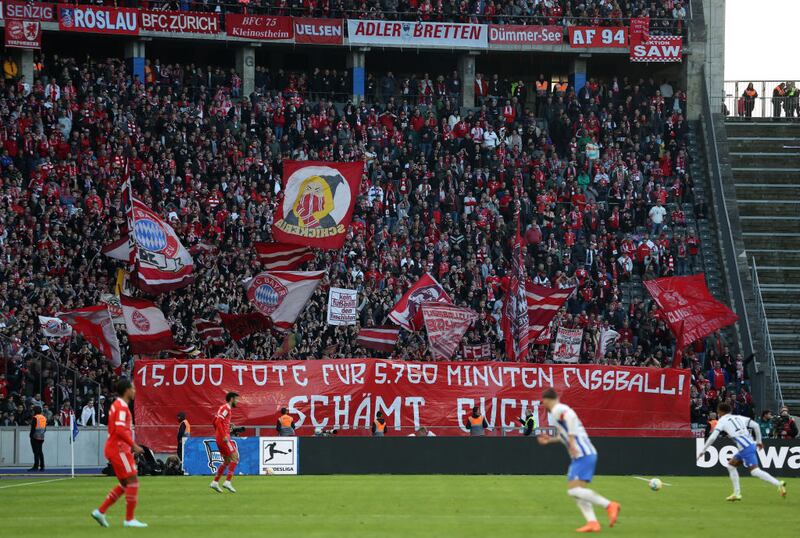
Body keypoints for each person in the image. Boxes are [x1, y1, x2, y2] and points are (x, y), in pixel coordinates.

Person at [537, 388, 620, 533]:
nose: (543, 405)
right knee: (577, 492)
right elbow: (566, 433)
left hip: (583, 454)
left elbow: (570, 419)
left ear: (548, 400)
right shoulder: (557, 413)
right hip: (583, 454)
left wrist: (571, 441)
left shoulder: (558, 409)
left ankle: (609, 505)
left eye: (543, 402)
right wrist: (550, 440)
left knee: (573, 491)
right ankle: (593, 522)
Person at [697, 402, 786, 501]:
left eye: (718, 411)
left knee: (755, 471)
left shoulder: (722, 420)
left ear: (720, 412)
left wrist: (703, 450)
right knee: (731, 466)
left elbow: (713, 436)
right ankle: (736, 493)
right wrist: (759, 441)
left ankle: (779, 484)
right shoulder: (738, 417)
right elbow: (756, 425)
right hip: (749, 445)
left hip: (745, 447)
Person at [91, 378, 147, 528]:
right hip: (119, 449)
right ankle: (129, 520)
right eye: (133, 388)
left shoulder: (117, 405)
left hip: (116, 448)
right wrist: (134, 445)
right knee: (133, 481)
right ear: (127, 390)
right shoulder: (121, 407)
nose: (135, 391)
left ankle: (100, 511)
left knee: (124, 484)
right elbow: (120, 430)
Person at [210, 392, 240, 493]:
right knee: (235, 457)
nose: (237, 401)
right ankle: (227, 481)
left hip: (220, 437)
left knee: (227, 461)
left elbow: (215, 421)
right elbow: (218, 421)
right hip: (224, 438)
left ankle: (215, 482)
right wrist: (223, 435)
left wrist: (226, 425)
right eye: (236, 399)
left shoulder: (223, 408)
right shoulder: (226, 408)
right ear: (231, 399)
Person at [28, 406, 46, 472]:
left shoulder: (35, 417)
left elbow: (33, 427)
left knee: (35, 452)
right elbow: (45, 428)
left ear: (35, 411)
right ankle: (42, 466)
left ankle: (36, 466)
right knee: (40, 451)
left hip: (35, 436)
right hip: (41, 436)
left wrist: (30, 435)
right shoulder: (43, 417)